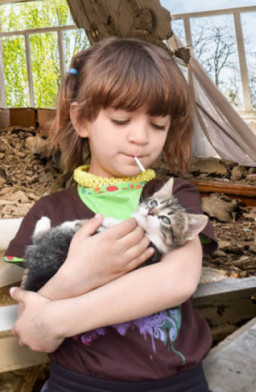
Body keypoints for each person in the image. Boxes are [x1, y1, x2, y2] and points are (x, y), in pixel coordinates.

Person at [5, 37, 218, 392]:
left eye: (158, 124)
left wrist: (57, 319)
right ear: (82, 119)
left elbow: (176, 281)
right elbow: (30, 329)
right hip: (76, 384)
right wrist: (76, 275)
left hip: (175, 385)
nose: (141, 137)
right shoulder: (50, 211)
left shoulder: (170, 196)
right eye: (121, 120)